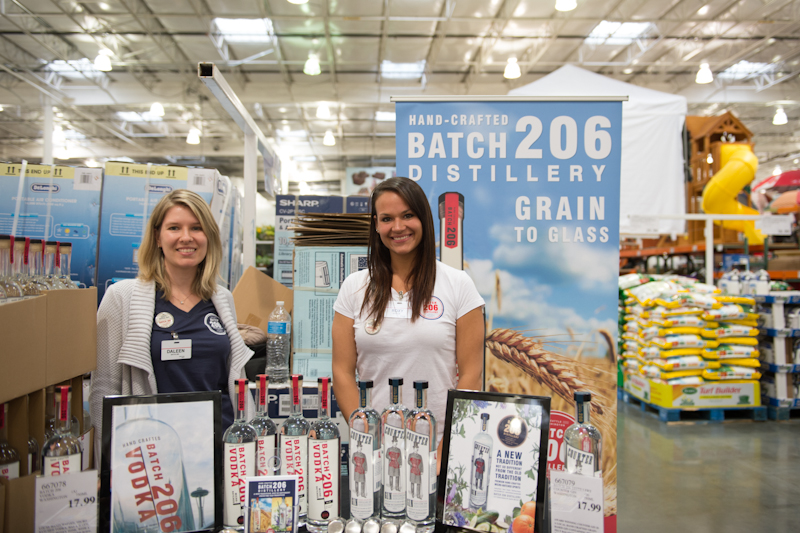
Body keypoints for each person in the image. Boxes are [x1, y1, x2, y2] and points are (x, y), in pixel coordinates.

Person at [90, 189, 253, 466]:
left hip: (220, 450)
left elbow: (233, 379)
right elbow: (104, 388)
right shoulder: (122, 297)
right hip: (151, 455)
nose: (186, 237)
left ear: (208, 237)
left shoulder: (222, 298)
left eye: (197, 228)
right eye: (174, 227)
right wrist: (110, 466)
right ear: (157, 236)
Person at [332, 177, 485, 465]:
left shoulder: (458, 284)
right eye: (387, 218)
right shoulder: (353, 287)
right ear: (376, 225)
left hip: (439, 449)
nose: (398, 227)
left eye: (408, 215)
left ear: (424, 219)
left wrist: (447, 448)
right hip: (376, 454)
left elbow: (471, 376)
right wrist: (367, 437)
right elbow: (342, 372)